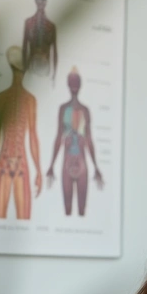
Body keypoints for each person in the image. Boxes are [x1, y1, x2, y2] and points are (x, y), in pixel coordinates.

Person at [0, 46, 42, 219]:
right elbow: (31, 136)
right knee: (6, 218)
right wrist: (38, 170)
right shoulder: (23, 99)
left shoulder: (8, 98)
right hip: (16, 163)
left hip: (7, 163)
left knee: (13, 218)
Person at [45, 66, 103, 216]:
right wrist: (51, 165)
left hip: (82, 162)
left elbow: (89, 138)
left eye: (76, 81)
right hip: (67, 162)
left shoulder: (85, 110)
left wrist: (96, 166)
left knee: (82, 209)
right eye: (72, 81)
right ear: (68, 84)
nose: (74, 84)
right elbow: (59, 136)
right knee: (67, 210)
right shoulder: (63, 109)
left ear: (80, 83)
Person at [22, 0, 58, 83]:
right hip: (30, 69)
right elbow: (24, 49)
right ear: (35, 0)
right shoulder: (28, 23)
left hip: (45, 70)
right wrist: (24, 70)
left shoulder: (51, 26)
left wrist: (54, 74)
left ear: (46, 2)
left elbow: (55, 51)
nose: (41, 1)